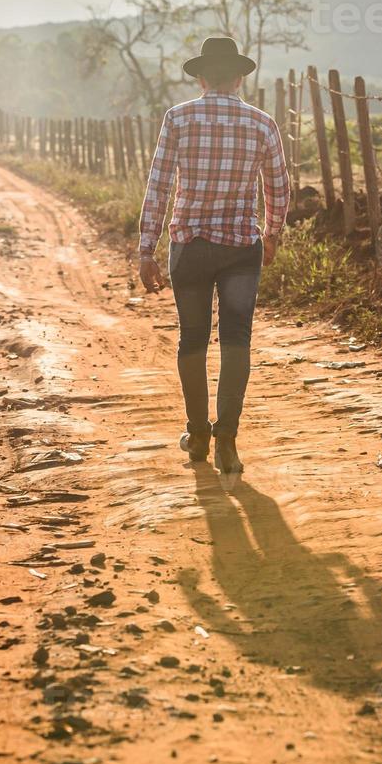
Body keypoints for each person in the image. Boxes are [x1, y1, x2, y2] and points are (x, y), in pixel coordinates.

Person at [137, 36, 290, 474]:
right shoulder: (262, 123)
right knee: (236, 338)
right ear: (240, 77)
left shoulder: (178, 118)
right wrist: (273, 232)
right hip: (242, 247)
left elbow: (159, 187)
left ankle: (197, 432)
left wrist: (147, 249)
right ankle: (227, 440)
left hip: (190, 247)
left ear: (202, 77)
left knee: (193, 338)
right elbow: (278, 188)